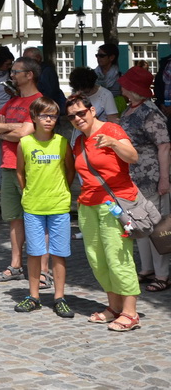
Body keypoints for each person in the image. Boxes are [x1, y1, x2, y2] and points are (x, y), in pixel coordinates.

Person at [67, 93, 143, 331]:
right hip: (88, 205)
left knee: (118, 257)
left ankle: (130, 312)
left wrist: (113, 143)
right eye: (72, 116)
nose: (77, 119)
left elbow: (133, 157)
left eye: (81, 113)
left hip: (114, 205)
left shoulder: (111, 129)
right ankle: (114, 307)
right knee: (97, 259)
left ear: (92, 110)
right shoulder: (79, 141)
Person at [12, 97, 76, 316]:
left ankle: (59, 297)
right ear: (34, 117)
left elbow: (70, 170)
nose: (49, 120)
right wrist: (28, 192)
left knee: (59, 253)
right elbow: (20, 172)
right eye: (44, 116)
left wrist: (62, 190)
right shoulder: (25, 143)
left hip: (58, 205)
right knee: (34, 251)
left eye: (53, 116)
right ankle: (34, 296)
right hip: (33, 206)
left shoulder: (62, 143)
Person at [0, 56, 45, 284]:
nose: (11, 75)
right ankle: (16, 265)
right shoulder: (13, 102)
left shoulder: (39, 102)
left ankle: (43, 271)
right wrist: (10, 128)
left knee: (38, 219)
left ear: (29, 75)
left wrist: (2, 132)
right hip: (8, 166)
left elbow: (24, 133)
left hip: (30, 168)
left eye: (15, 72)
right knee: (14, 219)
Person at [116, 65, 171, 293]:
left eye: (124, 84)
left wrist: (164, 179)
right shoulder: (130, 110)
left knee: (157, 226)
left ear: (132, 88)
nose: (121, 86)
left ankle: (162, 275)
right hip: (134, 178)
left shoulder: (150, 112)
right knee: (140, 224)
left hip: (151, 177)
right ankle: (147, 269)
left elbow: (164, 146)